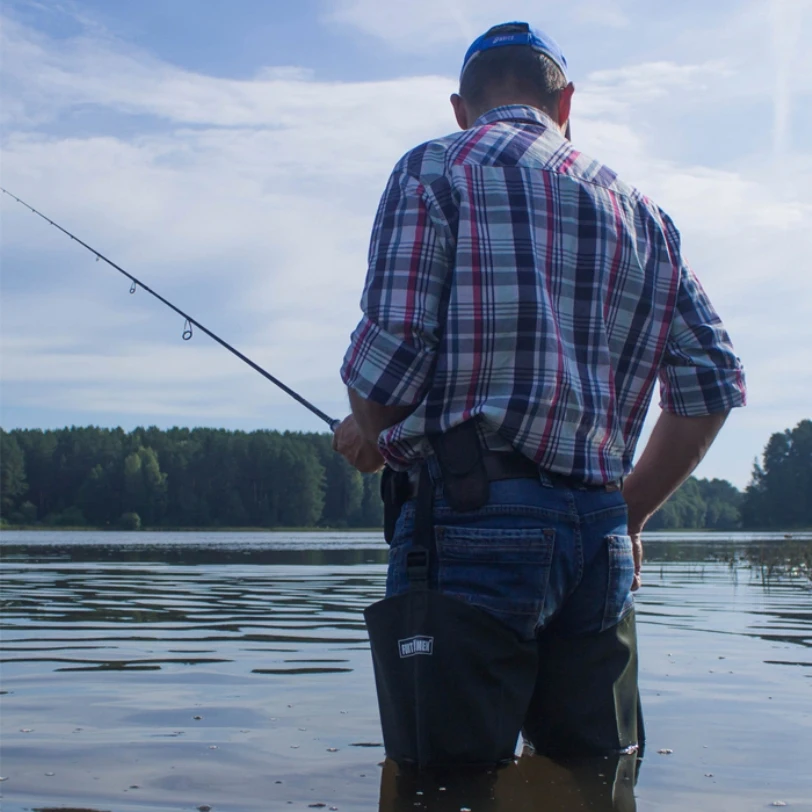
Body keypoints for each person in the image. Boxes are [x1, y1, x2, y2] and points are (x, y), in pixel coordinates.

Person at [334, 21, 746, 763]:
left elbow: (387, 384)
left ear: (462, 107)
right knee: (594, 786)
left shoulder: (434, 169)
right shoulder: (645, 215)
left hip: (465, 527)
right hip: (599, 543)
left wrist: (369, 429)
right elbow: (711, 383)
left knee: (443, 792)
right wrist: (630, 512)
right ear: (568, 104)